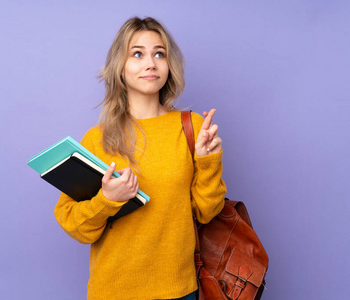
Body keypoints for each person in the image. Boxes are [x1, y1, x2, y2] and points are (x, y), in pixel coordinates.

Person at [54, 16, 227, 300]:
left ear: (169, 66)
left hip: (178, 290)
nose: (151, 63)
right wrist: (106, 201)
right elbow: (76, 227)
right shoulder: (97, 139)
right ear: (120, 67)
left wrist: (209, 161)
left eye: (159, 53)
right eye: (137, 54)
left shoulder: (193, 127)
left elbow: (207, 213)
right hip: (113, 290)